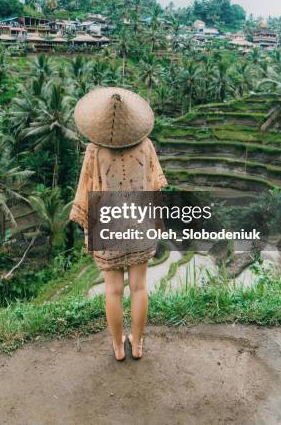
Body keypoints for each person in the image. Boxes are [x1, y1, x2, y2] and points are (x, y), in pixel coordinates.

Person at [70, 87, 167, 361]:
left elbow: (85, 192)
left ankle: (117, 346)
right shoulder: (146, 146)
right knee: (139, 287)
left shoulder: (93, 151)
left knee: (112, 290)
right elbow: (155, 187)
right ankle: (136, 345)